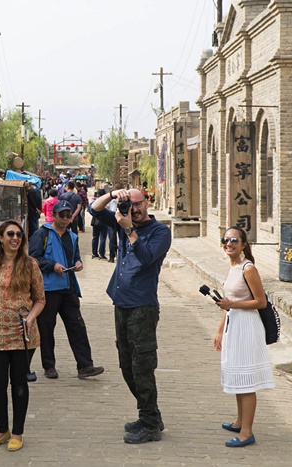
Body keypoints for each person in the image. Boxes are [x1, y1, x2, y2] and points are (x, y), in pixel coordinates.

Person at [89, 188, 171, 444]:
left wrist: (128, 229)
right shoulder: (121, 218)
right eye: (129, 205)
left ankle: (150, 423)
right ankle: (150, 415)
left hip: (142, 308)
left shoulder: (160, 232)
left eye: (137, 204)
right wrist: (113, 194)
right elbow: (95, 209)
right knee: (126, 366)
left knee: (142, 366)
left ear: (147, 203)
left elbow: (146, 258)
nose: (133, 210)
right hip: (121, 304)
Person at [0, 220, 45, 452]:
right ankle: (1, 429)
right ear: (1, 238)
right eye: (10, 234)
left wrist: (31, 318)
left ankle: (17, 432)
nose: (15, 238)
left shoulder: (30, 264)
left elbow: (40, 299)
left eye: (19, 234)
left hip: (21, 335)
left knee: (18, 384)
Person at [213, 226, 274, 448]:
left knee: (246, 380)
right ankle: (240, 421)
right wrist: (220, 330)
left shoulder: (249, 269)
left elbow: (261, 302)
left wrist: (232, 305)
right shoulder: (233, 268)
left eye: (234, 240)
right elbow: (227, 304)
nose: (229, 243)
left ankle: (247, 432)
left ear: (244, 245)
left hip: (247, 327)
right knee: (237, 375)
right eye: (225, 239)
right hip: (233, 325)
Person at [29, 201, 104, 380]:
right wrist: (52, 265)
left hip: (68, 287)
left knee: (77, 326)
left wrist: (77, 263)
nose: (64, 219)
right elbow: (32, 259)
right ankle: (49, 366)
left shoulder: (72, 236)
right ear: (53, 215)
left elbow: (75, 256)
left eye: (68, 215)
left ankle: (85, 365)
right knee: (46, 329)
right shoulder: (42, 234)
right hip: (48, 290)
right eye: (61, 215)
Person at [90, 189, 108, 260]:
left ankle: (94, 253)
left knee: (95, 237)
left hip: (95, 221)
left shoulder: (94, 201)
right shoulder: (106, 201)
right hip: (104, 221)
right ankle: (102, 253)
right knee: (103, 238)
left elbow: (90, 210)